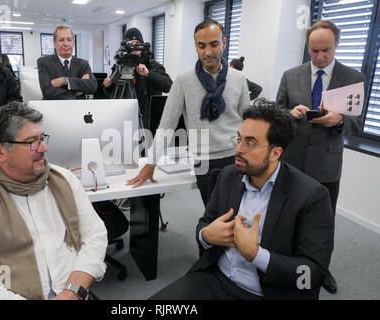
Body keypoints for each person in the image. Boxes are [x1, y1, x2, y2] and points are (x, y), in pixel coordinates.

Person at [150, 99, 334, 300]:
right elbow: (205, 224)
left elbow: (312, 275)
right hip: (214, 279)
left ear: (275, 153)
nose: (238, 149)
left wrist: (256, 255)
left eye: (250, 143)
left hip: (266, 293)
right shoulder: (229, 175)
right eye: (238, 139)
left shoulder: (311, 196)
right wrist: (206, 235)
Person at [0, 102, 108, 300]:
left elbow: (95, 236)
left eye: (42, 138)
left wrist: (73, 291)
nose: (44, 147)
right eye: (32, 142)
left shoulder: (64, 180)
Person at [276, 20, 364, 294]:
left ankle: (320, 270)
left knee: (322, 223)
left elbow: (356, 123)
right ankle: (287, 264)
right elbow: (276, 114)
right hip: (292, 161)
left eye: (326, 50)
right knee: (286, 216)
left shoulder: (353, 78)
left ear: (336, 45)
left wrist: (339, 120)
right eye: (314, 51)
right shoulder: (291, 75)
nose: (320, 57)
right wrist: (289, 115)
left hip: (326, 164)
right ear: (308, 47)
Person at [127, 19, 250, 206]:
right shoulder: (183, 81)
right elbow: (167, 125)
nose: (208, 52)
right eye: (201, 46)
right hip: (204, 162)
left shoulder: (239, 79)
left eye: (214, 44)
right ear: (196, 46)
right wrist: (150, 163)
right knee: (216, 220)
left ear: (224, 43)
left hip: (237, 158)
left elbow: (248, 123)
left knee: (242, 217)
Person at [103, 27, 173, 129]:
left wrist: (149, 74)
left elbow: (169, 86)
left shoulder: (152, 65)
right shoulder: (119, 66)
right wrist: (107, 85)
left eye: (137, 42)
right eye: (131, 43)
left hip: (146, 121)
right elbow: (112, 94)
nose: (134, 46)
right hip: (123, 118)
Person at [37, 25, 97, 100]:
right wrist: (78, 92)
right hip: (52, 107)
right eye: (61, 40)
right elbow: (47, 92)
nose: (66, 44)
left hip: (78, 107)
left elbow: (92, 86)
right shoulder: (44, 62)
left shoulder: (83, 64)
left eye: (69, 40)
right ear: (55, 43)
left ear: (73, 42)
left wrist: (64, 80)